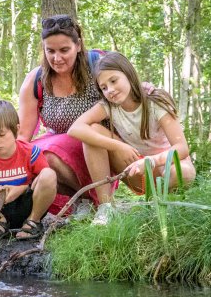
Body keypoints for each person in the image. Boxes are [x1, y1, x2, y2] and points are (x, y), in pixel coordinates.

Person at [68, 51, 194, 224]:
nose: (110, 90)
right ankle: (106, 209)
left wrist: (151, 161)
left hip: (164, 167)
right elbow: (75, 128)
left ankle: (161, 203)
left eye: (113, 81)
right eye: (104, 87)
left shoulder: (155, 101)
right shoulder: (109, 106)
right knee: (92, 132)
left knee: (184, 172)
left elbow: (182, 148)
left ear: (128, 74)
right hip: (137, 168)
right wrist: (119, 146)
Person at [18, 15, 108, 212]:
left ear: (78, 45)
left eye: (64, 50)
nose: (57, 58)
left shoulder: (99, 65)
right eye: (50, 51)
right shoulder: (36, 79)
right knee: (29, 157)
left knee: (47, 154)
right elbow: (23, 136)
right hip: (61, 150)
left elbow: (128, 93)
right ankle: (80, 204)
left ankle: (102, 203)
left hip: (99, 148)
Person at [0, 99, 57, 241]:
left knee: (49, 174)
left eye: (1, 135)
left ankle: (33, 222)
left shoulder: (31, 152)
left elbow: (45, 182)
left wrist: (22, 188)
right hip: (0, 208)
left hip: (28, 204)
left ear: (16, 130)